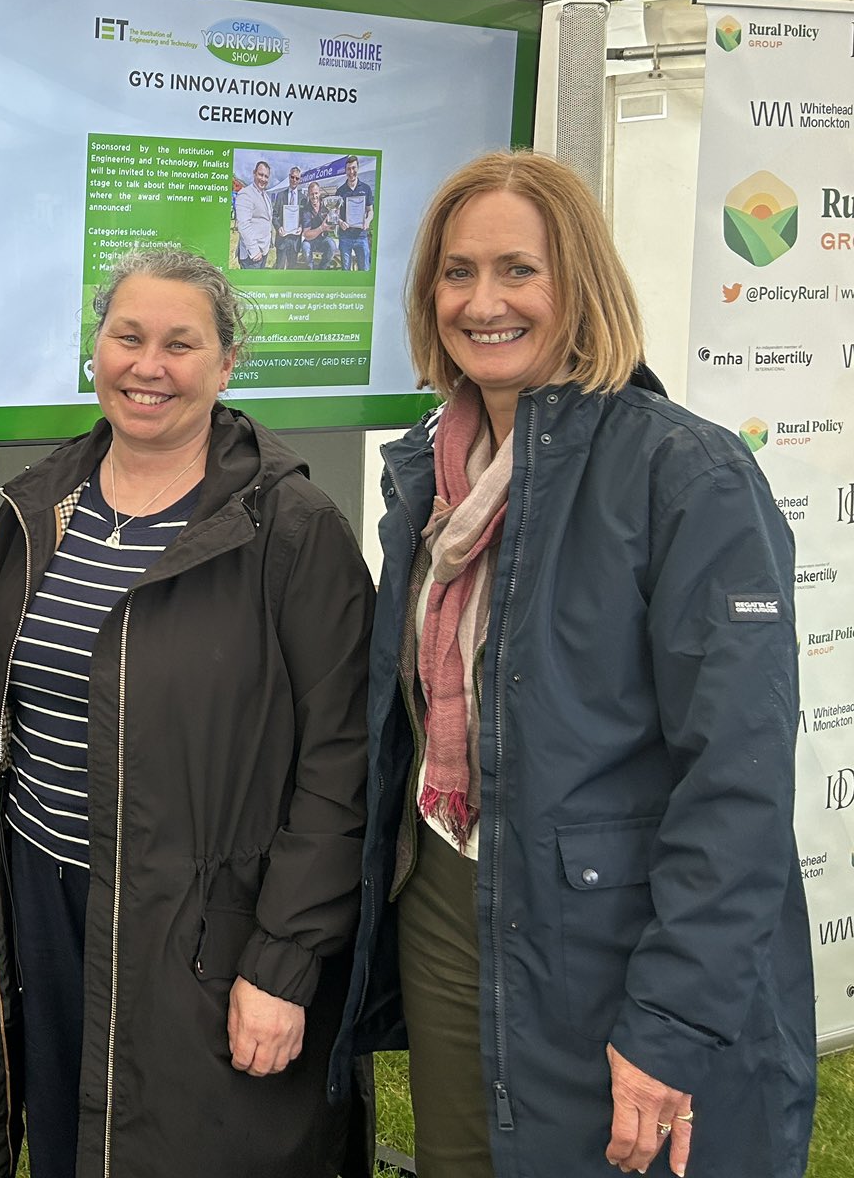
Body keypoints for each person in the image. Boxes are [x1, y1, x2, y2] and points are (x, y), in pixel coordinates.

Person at [331, 151, 814, 1177]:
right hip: (449, 910)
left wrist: (669, 1018)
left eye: (518, 270)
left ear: (579, 286)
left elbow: (733, 780)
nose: (481, 301)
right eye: (455, 273)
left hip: (613, 936)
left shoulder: (684, 477)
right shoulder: (429, 475)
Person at [0, 245, 373, 1178]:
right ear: (95, 350)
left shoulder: (293, 531)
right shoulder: (40, 508)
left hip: (202, 928)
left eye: (180, 344)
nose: (148, 366)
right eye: (127, 336)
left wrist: (285, 958)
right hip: (49, 899)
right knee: (74, 1139)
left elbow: (342, 766)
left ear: (227, 366)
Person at [233, 159, 275, 268]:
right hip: (251, 256)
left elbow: (266, 220)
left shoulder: (265, 195)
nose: (263, 179)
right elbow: (243, 225)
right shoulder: (246, 194)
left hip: (263, 251)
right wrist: (254, 250)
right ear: (254, 173)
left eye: (266, 176)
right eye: (260, 175)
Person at [335, 156, 374, 272]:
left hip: (361, 236)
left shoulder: (366, 189)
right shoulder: (340, 191)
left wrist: (367, 221)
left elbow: (370, 211)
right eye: (348, 169)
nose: (351, 172)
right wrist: (340, 222)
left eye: (354, 168)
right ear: (345, 170)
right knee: (345, 271)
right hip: (345, 237)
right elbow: (335, 213)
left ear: (358, 168)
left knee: (364, 269)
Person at [273, 165, 308, 269]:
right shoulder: (280, 195)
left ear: (299, 180)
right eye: (292, 177)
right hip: (282, 238)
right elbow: (274, 215)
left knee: (292, 269)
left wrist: (301, 227)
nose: (294, 180)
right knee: (279, 267)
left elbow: (304, 218)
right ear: (289, 177)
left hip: (295, 240)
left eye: (297, 178)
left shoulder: (303, 198)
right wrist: (278, 227)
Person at [301, 181, 337, 270]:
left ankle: (322, 268)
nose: (314, 196)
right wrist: (321, 228)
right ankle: (311, 269)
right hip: (310, 241)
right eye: (311, 194)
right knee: (305, 247)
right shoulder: (306, 210)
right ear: (308, 195)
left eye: (316, 193)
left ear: (319, 193)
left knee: (332, 246)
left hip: (323, 239)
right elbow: (306, 234)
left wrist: (334, 221)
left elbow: (332, 227)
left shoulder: (327, 206)